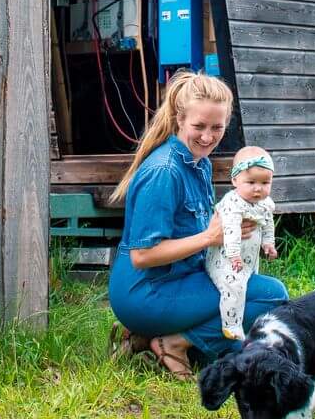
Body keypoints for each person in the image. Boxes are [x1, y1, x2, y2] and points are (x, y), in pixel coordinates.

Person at [108, 72, 289, 378]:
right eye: (199, 127)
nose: (208, 137)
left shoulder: (199, 162)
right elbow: (143, 256)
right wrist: (210, 237)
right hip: (146, 291)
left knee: (239, 341)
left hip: (179, 278)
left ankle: (141, 337)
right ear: (180, 119)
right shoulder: (164, 171)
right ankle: (173, 342)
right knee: (270, 296)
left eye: (216, 127)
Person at [205, 146, 279, 341]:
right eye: (251, 182)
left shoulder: (265, 203)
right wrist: (234, 255)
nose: (258, 188)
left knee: (248, 283)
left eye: (265, 182)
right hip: (226, 259)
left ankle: (247, 317)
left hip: (248, 258)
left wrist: (268, 243)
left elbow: (267, 223)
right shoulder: (233, 204)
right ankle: (231, 325)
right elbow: (229, 231)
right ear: (235, 180)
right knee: (233, 286)